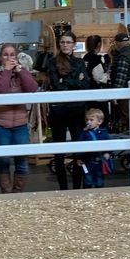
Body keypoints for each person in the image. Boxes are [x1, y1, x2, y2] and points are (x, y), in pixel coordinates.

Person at [0, 43, 39, 194]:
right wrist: (7, 71)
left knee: (22, 161)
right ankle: (6, 194)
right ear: (0, 57)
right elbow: (1, 90)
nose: (9, 58)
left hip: (20, 123)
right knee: (3, 161)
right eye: (6, 55)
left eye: (12, 55)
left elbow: (33, 88)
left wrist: (21, 72)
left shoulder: (22, 71)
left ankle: (17, 194)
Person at [46, 32, 89, 190]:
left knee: (79, 149)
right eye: (63, 42)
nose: (65, 45)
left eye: (68, 42)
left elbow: (86, 84)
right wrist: (77, 79)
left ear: (73, 44)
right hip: (59, 110)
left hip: (77, 110)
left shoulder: (80, 62)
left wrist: (68, 80)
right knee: (59, 151)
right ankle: (63, 187)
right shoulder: (52, 62)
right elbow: (57, 85)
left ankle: (77, 186)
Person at [109, 32, 130, 132]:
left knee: (125, 117)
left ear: (118, 43)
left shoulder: (123, 57)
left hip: (125, 93)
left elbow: (120, 77)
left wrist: (116, 95)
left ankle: (126, 135)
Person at [76, 108, 112, 188]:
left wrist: (107, 152)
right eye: (87, 120)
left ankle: (99, 194)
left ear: (99, 122)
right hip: (87, 160)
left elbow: (108, 144)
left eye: (91, 120)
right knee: (87, 179)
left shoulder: (104, 133)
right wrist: (79, 157)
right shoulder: (84, 133)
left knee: (99, 180)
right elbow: (79, 145)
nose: (88, 122)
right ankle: (87, 195)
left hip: (99, 162)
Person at [83, 34, 112, 122]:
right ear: (99, 44)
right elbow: (99, 77)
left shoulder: (85, 57)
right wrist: (107, 75)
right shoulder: (95, 59)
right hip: (98, 94)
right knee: (101, 118)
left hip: (88, 92)